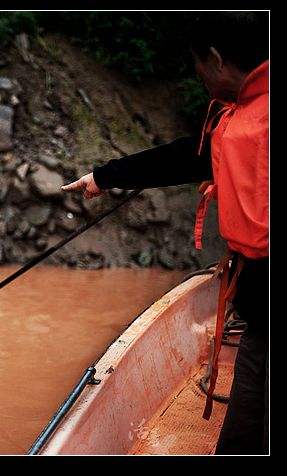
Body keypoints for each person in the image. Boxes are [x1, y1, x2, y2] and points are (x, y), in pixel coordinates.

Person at [61, 12, 268, 455]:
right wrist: (105, 175)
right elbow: (189, 156)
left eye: (197, 66)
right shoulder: (244, 114)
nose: (199, 79)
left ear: (214, 59)